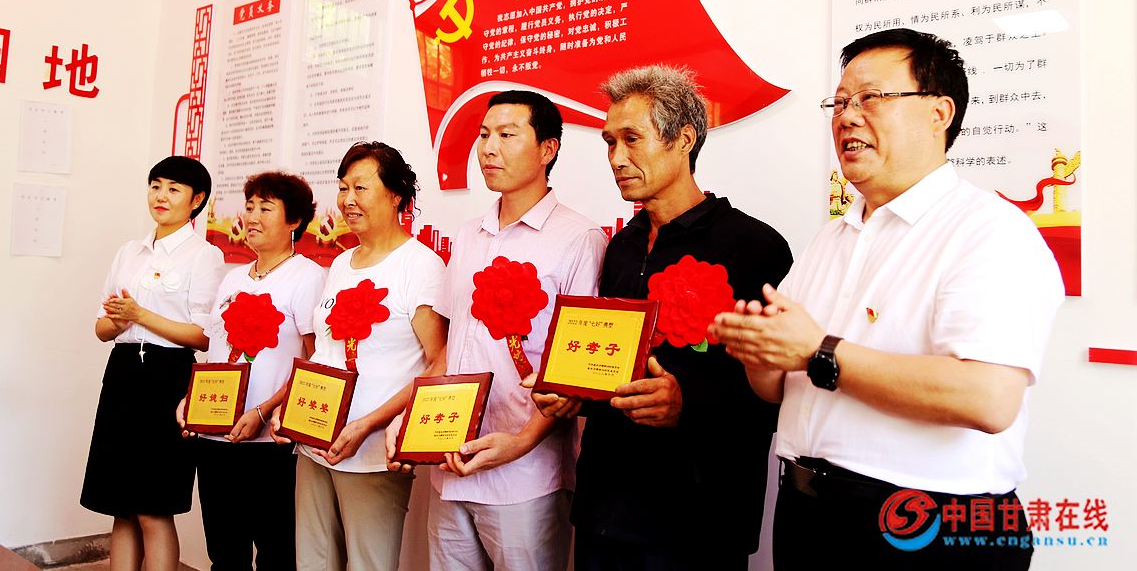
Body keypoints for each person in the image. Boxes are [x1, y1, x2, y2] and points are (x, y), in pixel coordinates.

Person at [711, 28, 1064, 569]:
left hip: (925, 527)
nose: (847, 117)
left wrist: (818, 351)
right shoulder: (831, 237)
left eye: (871, 98)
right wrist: (761, 352)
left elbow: (988, 399)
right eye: (840, 103)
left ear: (939, 113)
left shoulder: (990, 231)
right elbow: (777, 390)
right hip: (808, 514)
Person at [532, 65, 793, 571]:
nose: (616, 158)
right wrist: (573, 393)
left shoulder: (754, 247)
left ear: (684, 140)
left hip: (697, 522)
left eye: (632, 139)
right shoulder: (620, 247)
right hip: (604, 511)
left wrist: (687, 403)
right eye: (609, 142)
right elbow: (612, 368)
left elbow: (783, 393)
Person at [388, 90, 607, 571]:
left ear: (547, 149)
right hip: (451, 460)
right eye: (484, 134)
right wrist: (409, 420)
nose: (488, 148)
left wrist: (522, 441)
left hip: (526, 477)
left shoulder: (579, 238)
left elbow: (575, 374)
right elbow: (450, 350)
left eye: (507, 135)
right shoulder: (470, 234)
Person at [273, 142, 447, 571]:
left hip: (371, 454)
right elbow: (325, 352)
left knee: (369, 562)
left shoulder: (420, 265)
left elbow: (438, 363)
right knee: (313, 561)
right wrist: (288, 406)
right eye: (343, 187)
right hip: (314, 441)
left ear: (396, 196)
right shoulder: (341, 263)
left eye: (361, 188)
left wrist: (370, 423)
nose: (348, 199)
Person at [81, 156, 225, 571]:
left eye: (174, 189)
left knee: (154, 506)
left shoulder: (205, 255)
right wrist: (119, 320)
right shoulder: (129, 251)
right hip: (123, 373)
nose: (161, 196)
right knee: (121, 505)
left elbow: (203, 336)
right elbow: (101, 328)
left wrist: (141, 315)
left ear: (196, 200)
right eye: (155, 185)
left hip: (169, 379)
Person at [176, 171, 324, 571]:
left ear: (295, 221)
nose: (252, 217)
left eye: (266, 208)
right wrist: (191, 399)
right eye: (249, 206)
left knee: (276, 553)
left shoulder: (308, 277)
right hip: (215, 435)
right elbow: (218, 353)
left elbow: (315, 362)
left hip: (269, 442)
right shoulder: (233, 277)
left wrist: (263, 410)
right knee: (224, 554)